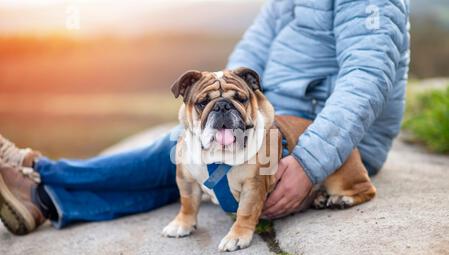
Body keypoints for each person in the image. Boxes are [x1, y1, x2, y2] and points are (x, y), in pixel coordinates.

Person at [0, 0, 410, 235]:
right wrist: (217, 118)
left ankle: (42, 175)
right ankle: (46, 200)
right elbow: (246, 56)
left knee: (168, 152)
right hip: (268, 117)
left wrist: (309, 163)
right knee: (186, 159)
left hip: (325, 136)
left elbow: (367, 79)